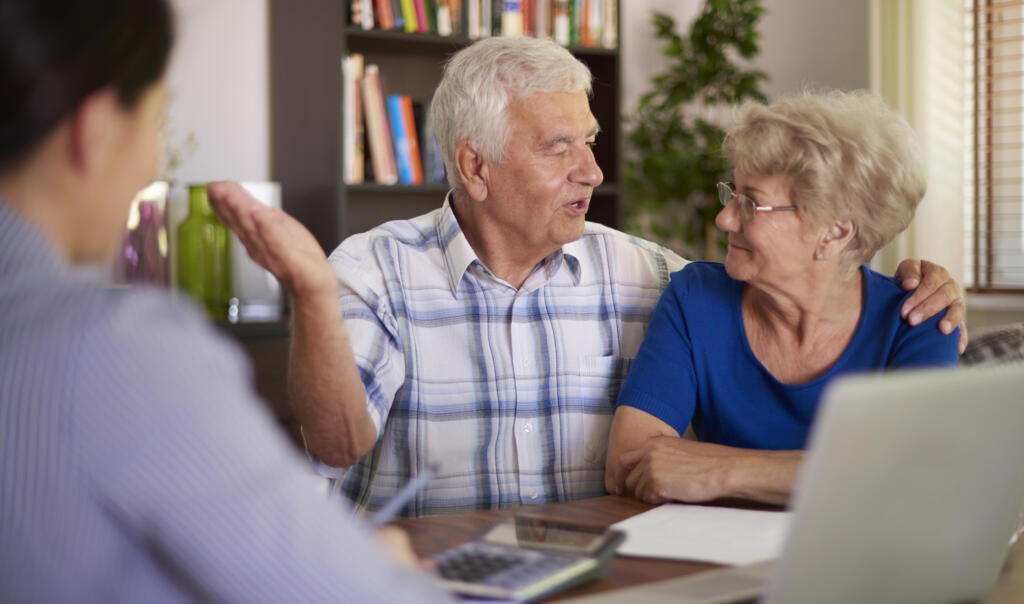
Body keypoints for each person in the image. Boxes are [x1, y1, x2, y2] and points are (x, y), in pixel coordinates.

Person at [208, 37, 967, 518]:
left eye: (592, 142)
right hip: (419, 579)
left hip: (593, 579)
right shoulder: (373, 270)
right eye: (559, 148)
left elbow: (804, 282)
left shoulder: (648, 271)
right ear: (474, 166)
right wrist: (311, 292)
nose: (593, 172)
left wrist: (926, 278)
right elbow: (337, 446)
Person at [0, 1, 453, 601]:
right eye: (158, 125)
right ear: (96, 128)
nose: (152, 169)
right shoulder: (115, 349)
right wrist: (388, 568)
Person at [604, 90, 961, 506]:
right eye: (731, 193)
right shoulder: (696, 297)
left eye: (751, 204)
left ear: (835, 231)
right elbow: (628, 465)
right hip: (717, 555)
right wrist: (846, 473)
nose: (724, 218)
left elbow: (911, 479)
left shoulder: (917, 319)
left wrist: (721, 471)